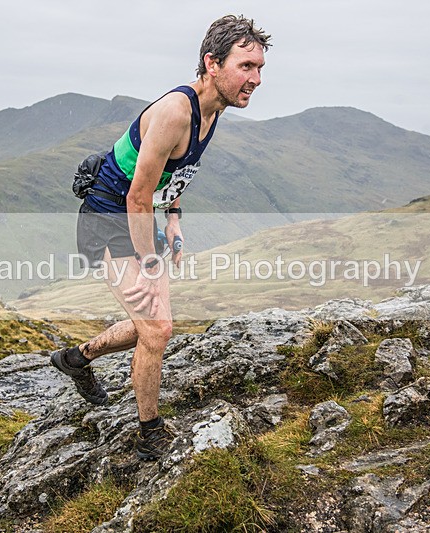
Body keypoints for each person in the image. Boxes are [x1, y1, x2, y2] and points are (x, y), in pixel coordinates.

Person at [51, 14, 271, 460]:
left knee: (152, 325)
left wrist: (173, 218)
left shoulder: (213, 111)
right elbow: (136, 196)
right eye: (246, 66)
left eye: (260, 68)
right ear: (212, 64)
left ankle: (76, 359)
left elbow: (173, 174)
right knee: (158, 329)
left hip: (139, 216)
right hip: (107, 220)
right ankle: (150, 434)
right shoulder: (177, 111)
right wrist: (150, 262)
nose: (256, 79)